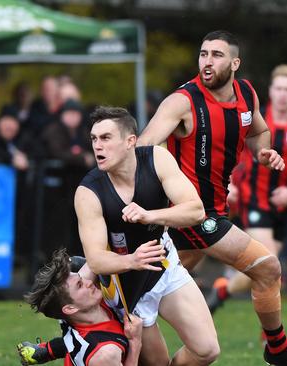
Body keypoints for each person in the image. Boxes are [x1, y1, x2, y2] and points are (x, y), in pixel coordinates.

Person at [137, 30, 287, 365]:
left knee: (146, 297)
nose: (207, 62)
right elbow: (144, 148)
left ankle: (85, 325)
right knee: (268, 268)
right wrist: (172, 186)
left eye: (217, 55)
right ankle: (281, 353)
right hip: (196, 215)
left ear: (235, 62)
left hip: (204, 217)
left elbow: (259, 131)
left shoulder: (245, 93)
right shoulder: (183, 101)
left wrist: (265, 152)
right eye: (203, 54)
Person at [74, 106, 219, 365]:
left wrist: (150, 215)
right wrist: (133, 260)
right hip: (127, 287)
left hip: (164, 266)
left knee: (207, 350)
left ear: (130, 141)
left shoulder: (157, 158)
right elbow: (95, 260)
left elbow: (196, 211)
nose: (98, 146)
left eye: (106, 138)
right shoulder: (88, 191)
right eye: (94, 139)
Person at [206, 64, 287, 310]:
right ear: (270, 91)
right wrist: (229, 184)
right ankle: (270, 335)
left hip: (284, 203)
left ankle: (224, 289)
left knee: (268, 270)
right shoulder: (255, 119)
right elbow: (226, 152)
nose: (283, 94)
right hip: (254, 197)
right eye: (279, 88)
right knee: (271, 263)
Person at [23, 248, 143, 366]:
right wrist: (135, 342)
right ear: (70, 308)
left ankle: (45, 351)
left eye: (81, 279)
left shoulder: (72, 308)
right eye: (80, 285)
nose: (89, 282)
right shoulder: (105, 353)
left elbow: (95, 261)